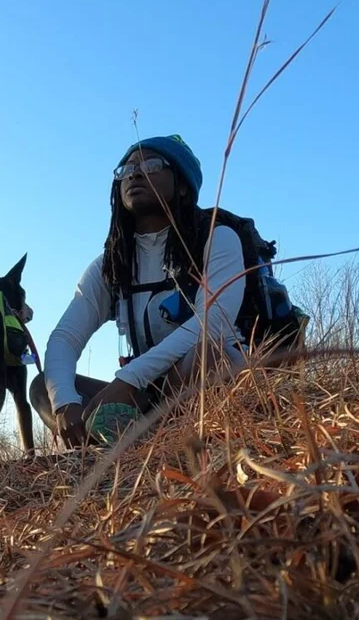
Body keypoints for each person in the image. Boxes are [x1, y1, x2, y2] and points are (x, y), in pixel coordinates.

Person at [29, 134, 254, 448]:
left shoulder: (217, 238)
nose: (134, 173)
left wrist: (130, 378)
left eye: (152, 165)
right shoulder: (112, 263)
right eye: (126, 169)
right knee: (44, 388)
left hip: (214, 382)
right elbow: (66, 337)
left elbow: (213, 321)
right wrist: (66, 402)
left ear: (183, 185)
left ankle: (159, 442)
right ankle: (129, 447)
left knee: (206, 354)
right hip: (148, 398)